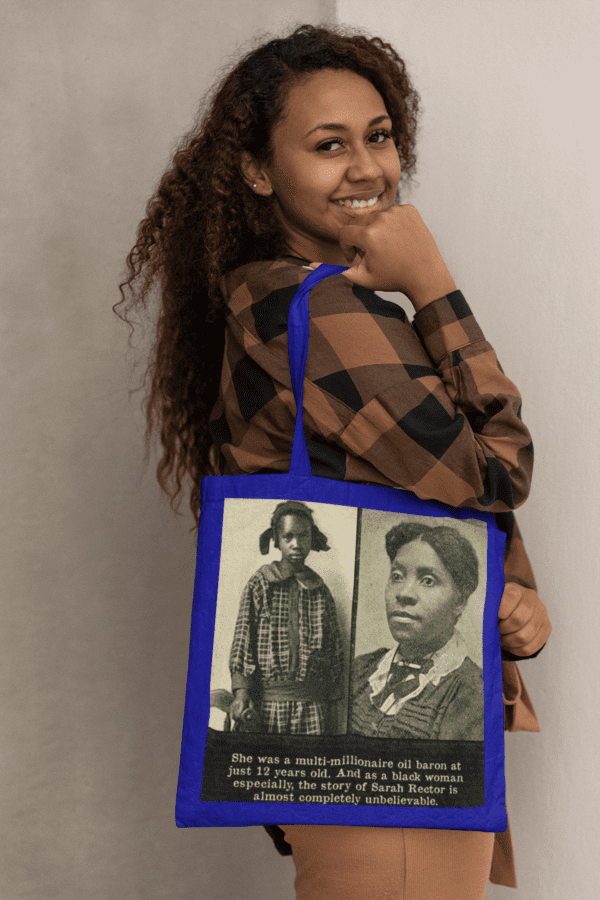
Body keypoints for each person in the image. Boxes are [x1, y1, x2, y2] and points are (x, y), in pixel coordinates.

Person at [116, 21, 552, 900]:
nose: (367, 167)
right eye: (327, 145)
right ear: (256, 171)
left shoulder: (269, 299)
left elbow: (419, 495)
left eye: (379, 135)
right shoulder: (323, 312)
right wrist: (432, 283)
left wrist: (500, 589)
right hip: (386, 762)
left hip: (349, 747)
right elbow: (494, 470)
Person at [350, 521, 484, 741]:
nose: (404, 593)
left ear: (460, 601)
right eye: (397, 576)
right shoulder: (361, 670)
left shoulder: (474, 693)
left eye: (428, 581)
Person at [228, 500, 343, 735]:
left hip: (313, 708)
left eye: (304, 536)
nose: (296, 544)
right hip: (269, 707)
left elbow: (335, 651)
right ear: (276, 540)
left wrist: (332, 705)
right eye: (288, 536)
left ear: (313, 539)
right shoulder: (260, 584)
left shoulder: (320, 590)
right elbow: (243, 641)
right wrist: (241, 694)